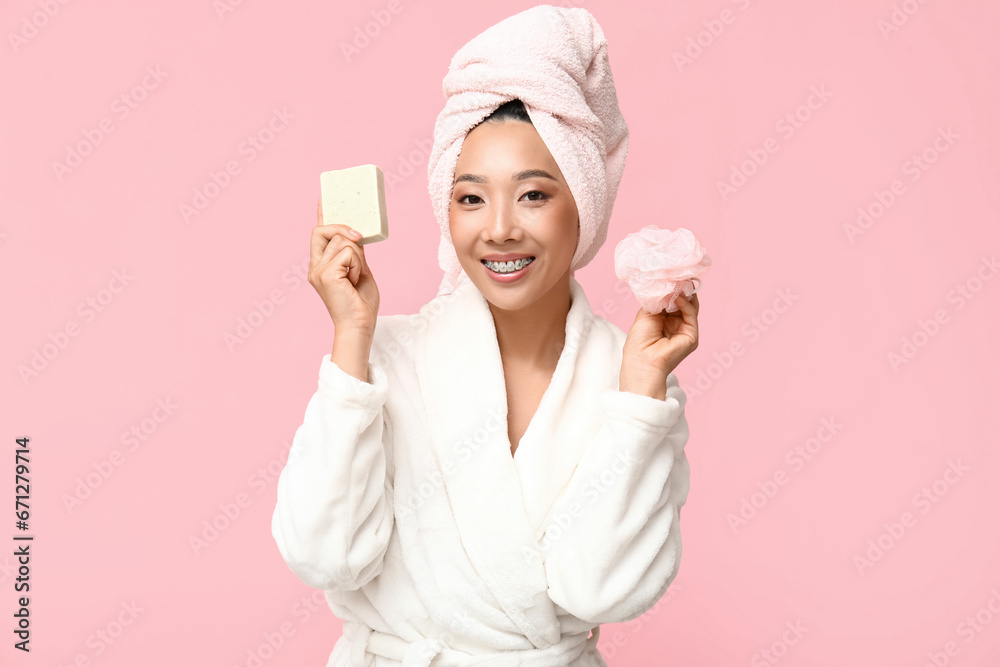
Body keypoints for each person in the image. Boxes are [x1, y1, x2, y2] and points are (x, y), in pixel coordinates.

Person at [272, 7, 699, 667]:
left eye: (532, 195)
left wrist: (640, 400)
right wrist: (351, 342)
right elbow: (324, 554)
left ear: (581, 204)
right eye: (471, 199)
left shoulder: (633, 376)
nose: (498, 229)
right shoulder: (384, 354)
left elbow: (601, 587)